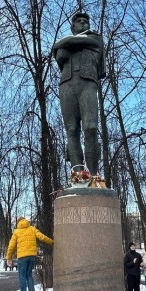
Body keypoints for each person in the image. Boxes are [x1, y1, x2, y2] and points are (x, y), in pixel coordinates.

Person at [52, 11, 106, 175]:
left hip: (87, 82)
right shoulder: (71, 43)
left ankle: (95, 175)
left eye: (85, 21)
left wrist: (65, 43)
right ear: (73, 26)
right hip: (67, 84)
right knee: (71, 129)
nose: (83, 23)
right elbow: (60, 56)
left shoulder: (95, 38)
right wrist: (64, 46)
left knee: (90, 128)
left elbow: (63, 46)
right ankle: (78, 174)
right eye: (79, 21)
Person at [6, 216, 54, 291]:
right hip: (32, 256)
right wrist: (52, 242)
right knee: (29, 275)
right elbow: (41, 237)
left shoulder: (16, 232)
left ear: (18, 223)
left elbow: (11, 246)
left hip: (22, 257)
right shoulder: (32, 228)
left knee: (22, 276)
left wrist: (8, 258)